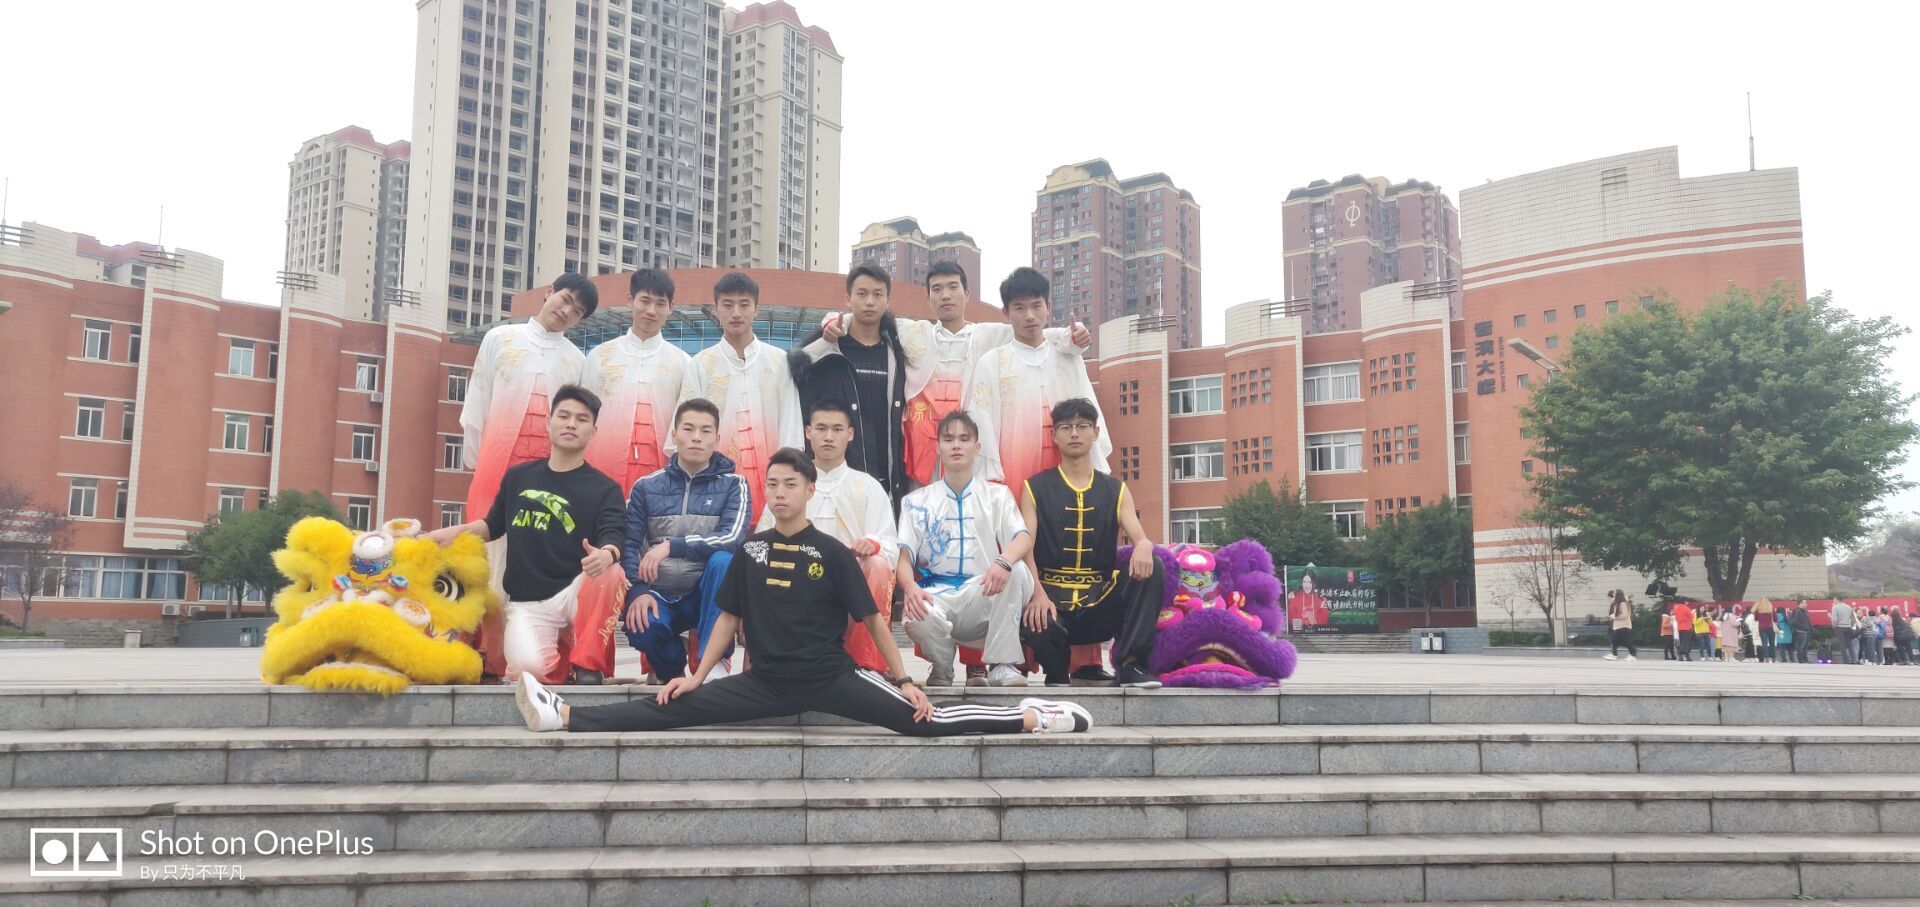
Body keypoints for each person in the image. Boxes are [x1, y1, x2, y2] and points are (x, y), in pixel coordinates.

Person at [514, 448, 1095, 738]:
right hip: (764, 683)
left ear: (810, 490)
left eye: (791, 484)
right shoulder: (751, 551)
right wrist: (698, 675)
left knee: (927, 722)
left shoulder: (832, 553)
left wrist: (904, 681)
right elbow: (727, 617)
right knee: (672, 708)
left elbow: (872, 621)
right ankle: (563, 713)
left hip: (831, 679)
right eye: (772, 484)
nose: (780, 493)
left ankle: (1032, 715)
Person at [427, 384, 624, 685]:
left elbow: (614, 535)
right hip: (528, 601)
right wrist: (456, 532)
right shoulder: (518, 477)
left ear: (593, 431)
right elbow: (493, 525)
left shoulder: (605, 488)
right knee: (528, 671)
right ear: (549, 422)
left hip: (575, 592)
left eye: (582, 419)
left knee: (612, 573)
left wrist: (607, 553)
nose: (571, 424)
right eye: (564, 416)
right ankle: (563, 655)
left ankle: (587, 665)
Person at [458, 273, 598, 676]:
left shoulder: (576, 360)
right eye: (565, 299)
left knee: (541, 555)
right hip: (496, 463)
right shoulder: (500, 339)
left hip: (547, 476)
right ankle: (482, 654)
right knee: (486, 558)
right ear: (549, 292)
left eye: (577, 311)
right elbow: (478, 401)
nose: (566, 311)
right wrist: (477, 460)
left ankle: (543, 658)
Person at [1019, 398, 1163, 689]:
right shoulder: (1034, 488)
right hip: (1050, 602)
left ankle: (1131, 663)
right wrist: (1037, 594)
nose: (1074, 433)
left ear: (1095, 432)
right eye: (1066, 427)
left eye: (1082, 426)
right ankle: (1056, 671)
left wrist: (1144, 545)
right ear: (1054, 436)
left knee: (1155, 566)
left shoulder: (1116, 489)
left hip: (1099, 602)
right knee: (1032, 609)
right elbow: (1025, 547)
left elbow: (1139, 536)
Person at [756, 399, 898, 673]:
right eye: (821, 429)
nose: (829, 437)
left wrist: (872, 544)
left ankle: (866, 665)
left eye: (837, 429)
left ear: (850, 434)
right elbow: (763, 539)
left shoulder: (867, 486)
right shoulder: (790, 483)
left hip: (850, 589)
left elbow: (891, 544)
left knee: (878, 565)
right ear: (808, 432)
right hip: (797, 586)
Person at [898, 411, 1038, 688]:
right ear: (937, 446)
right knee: (915, 613)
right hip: (937, 595)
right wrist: (910, 588)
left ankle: (1002, 665)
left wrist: (1003, 561)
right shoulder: (916, 501)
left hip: (983, 592)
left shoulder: (997, 495)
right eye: (949, 439)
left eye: (964, 439)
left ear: (977, 446)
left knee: (1018, 570)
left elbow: (1023, 538)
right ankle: (942, 667)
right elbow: (903, 558)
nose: (956, 445)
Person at [622, 399, 749, 683]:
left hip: (705, 593)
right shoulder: (646, 487)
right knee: (642, 624)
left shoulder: (734, 485)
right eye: (688, 429)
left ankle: (712, 662)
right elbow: (628, 544)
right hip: (660, 592)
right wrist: (638, 590)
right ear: (674, 435)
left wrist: (671, 546)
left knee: (725, 561)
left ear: (717, 438)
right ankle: (672, 667)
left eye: (705, 431)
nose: (696, 437)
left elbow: (732, 538)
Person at [966, 267, 1113, 491]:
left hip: (1069, 473)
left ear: (1048, 306)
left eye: (1036, 306)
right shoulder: (992, 363)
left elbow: (1089, 415)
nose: (1029, 316)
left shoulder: (1068, 358)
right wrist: (992, 486)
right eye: (1019, 308)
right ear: (1005, 312)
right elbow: (982, 426)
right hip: (1014, 475)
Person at [680, 272, 804, 526]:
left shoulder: (779, 361)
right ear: (715, 309)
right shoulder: (701, 364)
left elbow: (791, 424)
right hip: (714, 481)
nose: (736, 313)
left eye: (744, 304)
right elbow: (687, 427)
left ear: (756, 309)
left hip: (772, 481)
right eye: (727, 305)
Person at [789, 264, 913, 514]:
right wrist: (824, 338)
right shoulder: (829, 353)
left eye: (877, 294)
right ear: (848, 299)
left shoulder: (899, 353)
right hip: (835, 483)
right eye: (861, 293)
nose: (870, 302)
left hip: (889, 482)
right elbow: (795, 374)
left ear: (888, 300)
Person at [579, 268, 693, 495]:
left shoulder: (683, 363)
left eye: (660, 304)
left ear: (671, 307)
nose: (651, 311)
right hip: (600, 469)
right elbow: (583, 414)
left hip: (661, 476)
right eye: (645, 301)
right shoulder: (600, 356)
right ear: (630, 299)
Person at [1602, 590, 1637, 661]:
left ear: (1618, 595)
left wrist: (1614, 616)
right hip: (1619, 626)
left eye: (1615, 595)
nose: (1614, 596)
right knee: (1615, 641)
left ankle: (1632, 654)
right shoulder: (1618, 603)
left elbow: (1624, 615)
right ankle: (1615, 654)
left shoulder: (1623, 603)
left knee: (1625, 642)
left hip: (1624, 626)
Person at [1831, 598, 1858, 665]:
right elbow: (1853, 619)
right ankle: (1854, 659)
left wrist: (1834, 627)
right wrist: (1850, 626)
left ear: (1837, 600)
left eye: (1834, 599)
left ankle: (1846, 661)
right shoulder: (1848, 607)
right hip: (1848, 627)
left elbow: (1834, 619)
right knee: (1849, 644)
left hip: (1839, 627)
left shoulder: (1835, 607)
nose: (1833, 601)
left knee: (1842, 645)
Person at [1787, 599, 1813, 664]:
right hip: (1800, 631)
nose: (1806, 604)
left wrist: (1810, 629)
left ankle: (1805, 659)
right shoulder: (1797, 611)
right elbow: (1794, 622)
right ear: (1800, 604)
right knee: (1800, 646)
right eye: (1804, 603)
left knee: (1805, 647)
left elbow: (1808, 621)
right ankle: (1801, 660)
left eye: (1806, 603)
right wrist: (1802, 627)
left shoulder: (1804, 611)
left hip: (1807, 631)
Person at [1754, 598, 1776, 663]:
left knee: (1764, 643)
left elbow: (1756, 619)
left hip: (1762, 628)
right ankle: (1773, 657)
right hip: (1771, 628)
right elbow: (1776, 619)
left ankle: (1766, 657)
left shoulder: (1758, 610)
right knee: (1772, 643)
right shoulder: (1771, 609)